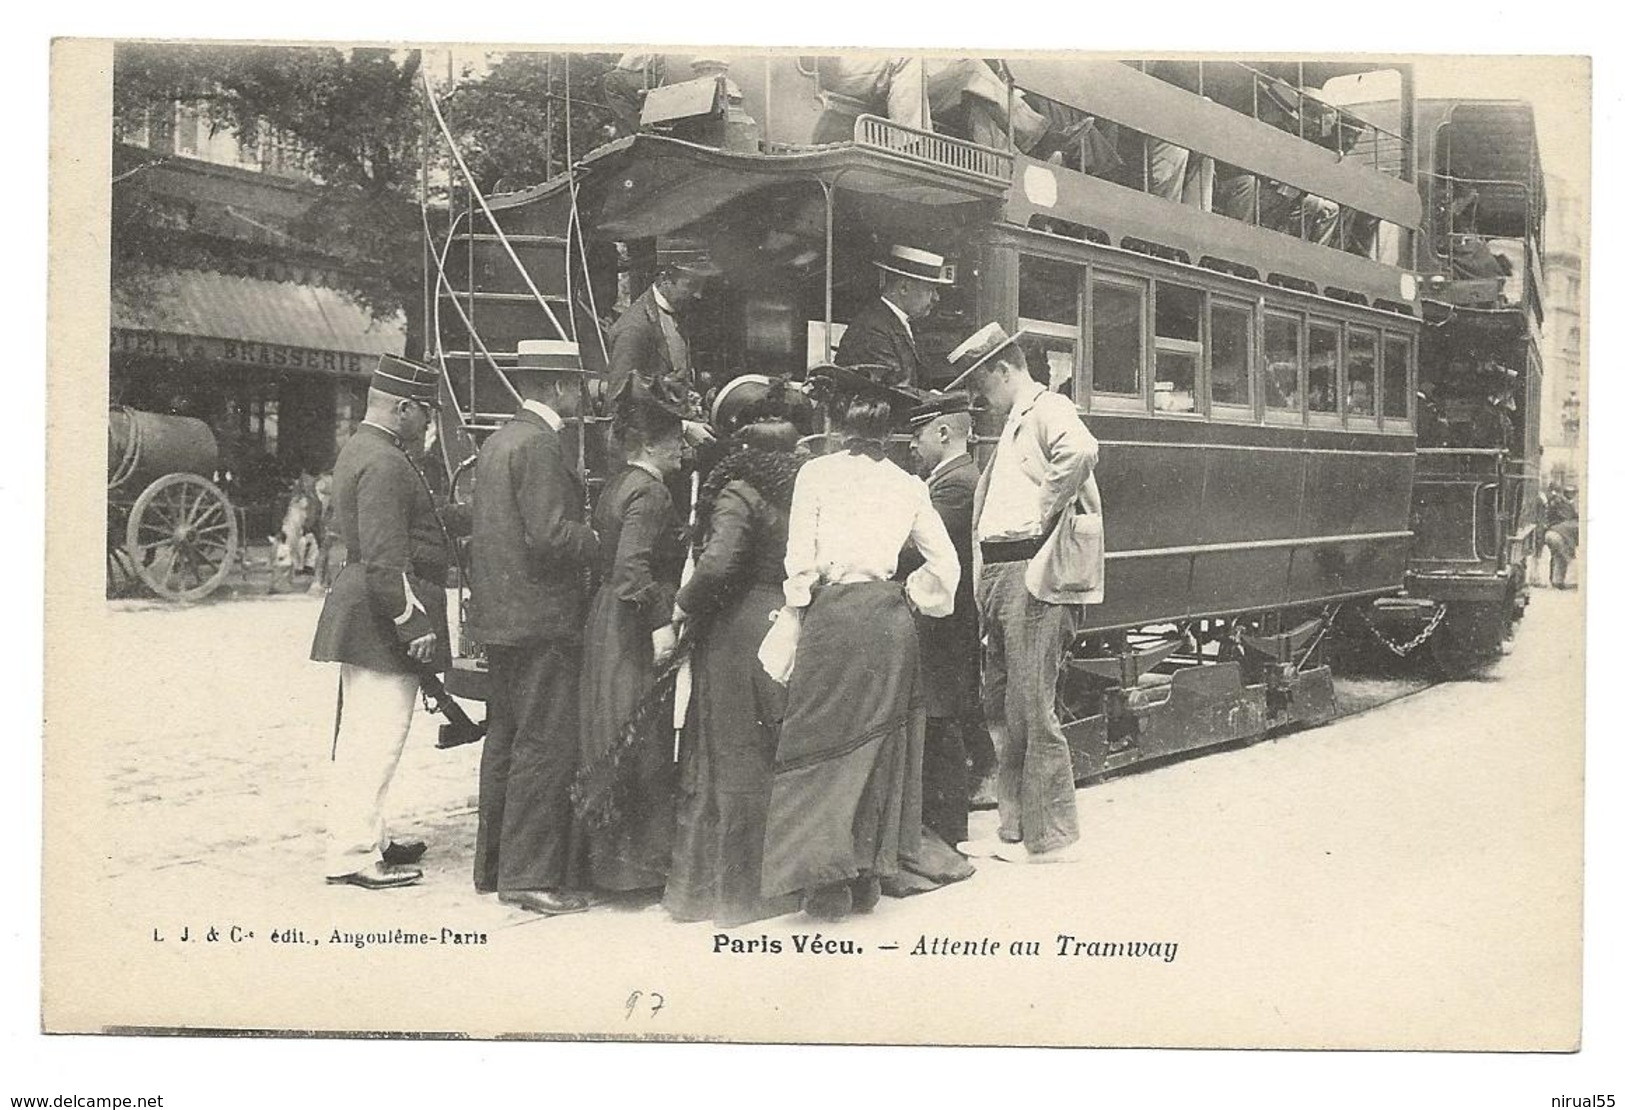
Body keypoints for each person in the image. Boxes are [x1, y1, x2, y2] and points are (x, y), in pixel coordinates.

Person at [759, 365, 960, 922]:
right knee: (880, 746)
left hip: (834, 618)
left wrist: (799, 607)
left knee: (818, 748)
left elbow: (799, 563)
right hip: (887, 621)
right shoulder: (910, 485)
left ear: (839, 419)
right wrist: (911, 597)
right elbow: (946, 567)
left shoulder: (816, 475)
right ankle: (869, 870)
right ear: (892, 426)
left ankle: (825, 883)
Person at [949, 323, 1101, 865]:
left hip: (1030, 574)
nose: (975, 398)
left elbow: (1081, 451)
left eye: (979, 384)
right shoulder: (1018, 418)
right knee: (1004, 707)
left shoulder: (1047, 410)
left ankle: (1050, 837)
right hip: (1002, 575)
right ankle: (1015, 829)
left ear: (1003, 370)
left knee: (1033, 709)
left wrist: (1042, 514)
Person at [663, 376, 812, 926]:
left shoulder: (738, 488)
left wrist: (683, 605)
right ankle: (779, 887)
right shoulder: (803, 483)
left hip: (738, 629)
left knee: (726, 754)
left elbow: (720, 563)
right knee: (771, 752)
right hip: (786, 621)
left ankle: (725, 897)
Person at [468, 340, 599, 917]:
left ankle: (494, 865)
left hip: (500, 619)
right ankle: (529, 877)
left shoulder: (499, 441)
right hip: (543, 619)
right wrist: (599, 541)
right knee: (544, 745)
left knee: (505, 739)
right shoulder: (543, 447)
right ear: (560, 388)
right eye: (578, 386)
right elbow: (549, 536)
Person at [309, 356, 449, 891]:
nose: (429, 423)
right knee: (376, 739)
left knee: (361, 735)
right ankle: (351, 854)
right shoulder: (387, 462)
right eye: (426, 412)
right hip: (382, 615)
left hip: (365, 610)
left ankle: (372, 836)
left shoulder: (363, 448)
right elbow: (387, 560)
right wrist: (414, 624)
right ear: (405, 408)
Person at [574, 382, 689, 895]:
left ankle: (607, 867)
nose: (683, 452)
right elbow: (631, 569)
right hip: (631, 626)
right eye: (676, 442)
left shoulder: (619, 483)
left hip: (609, 621)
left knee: (611, 732)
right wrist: (661, 625)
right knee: (637, 736)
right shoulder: (651, 491)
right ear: (651, 446)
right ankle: (633, 871)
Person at [901, 391, 982, 850]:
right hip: (948, 619)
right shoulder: (952, 479)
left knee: (942, 716)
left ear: (944, 432)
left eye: (918, 435)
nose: (912, 445)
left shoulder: (954, 486)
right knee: (940, 715)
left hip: (946, 624)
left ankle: (949, 829)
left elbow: (914, 549)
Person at [605, 241, 722, 448]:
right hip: (647, 451)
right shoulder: (635, 329)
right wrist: (682, 427)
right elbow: (619, 404)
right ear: (666, 277)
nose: (698, 294)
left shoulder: (676, 314)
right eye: (691, 284)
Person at [835, 244, 954, 388]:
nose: (936, 298)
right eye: (930, 289)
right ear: (904, 288)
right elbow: (895, 392)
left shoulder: (898, 324)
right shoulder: (873, 330)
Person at [1543, 486, 1580, 590]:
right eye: (1570, 493)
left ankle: (1554, 581)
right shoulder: (1562, 503)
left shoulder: (1563, 503)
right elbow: (1570, 540)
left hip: (1552, 531)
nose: (1572, 495)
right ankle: (1558, 582)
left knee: (1555, 557)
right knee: (1562, 558)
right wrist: (1571, 552)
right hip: (1558, 534)